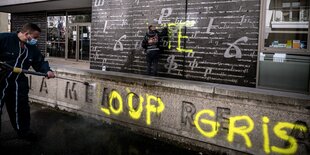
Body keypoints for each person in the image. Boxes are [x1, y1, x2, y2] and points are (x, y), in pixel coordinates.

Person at [0, 23, 55, 141]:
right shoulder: (4, 39)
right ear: (26, 34)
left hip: (18, 81)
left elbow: (39, 62)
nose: (36, 40)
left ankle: (24, 132)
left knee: (21, 108)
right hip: (1, 79)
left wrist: (48, 70)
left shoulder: (32, 49)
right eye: (35, 37)